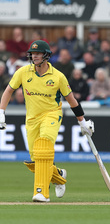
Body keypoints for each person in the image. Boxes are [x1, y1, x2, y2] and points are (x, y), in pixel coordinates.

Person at [0, 40, 94, 202]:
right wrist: (1, 112)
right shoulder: (23, 72)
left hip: (51, 115)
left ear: (46, 56)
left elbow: (72, 100)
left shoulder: (58, 77)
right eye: (32, 53)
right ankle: (59, 176)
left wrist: (82, 122)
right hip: (31, 119)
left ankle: (41, 193)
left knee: (44, 146)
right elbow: (9, 91)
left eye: (38, 53)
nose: (34, 56)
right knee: (35, 162)